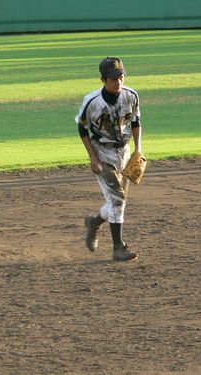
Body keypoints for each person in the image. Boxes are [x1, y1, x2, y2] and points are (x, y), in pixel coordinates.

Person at [75, 57, 143, 261]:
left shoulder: (131, 95)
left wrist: (138, 150)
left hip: (124, 151)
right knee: (118, 200)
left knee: (117, 201)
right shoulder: (92, 102)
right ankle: (118, 247)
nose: (118, 81)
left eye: (121, 76)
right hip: (102, 152)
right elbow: (82, 128)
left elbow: (136, 122)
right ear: (103, 79)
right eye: (114, 78)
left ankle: (94, 222)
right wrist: (93, 158)